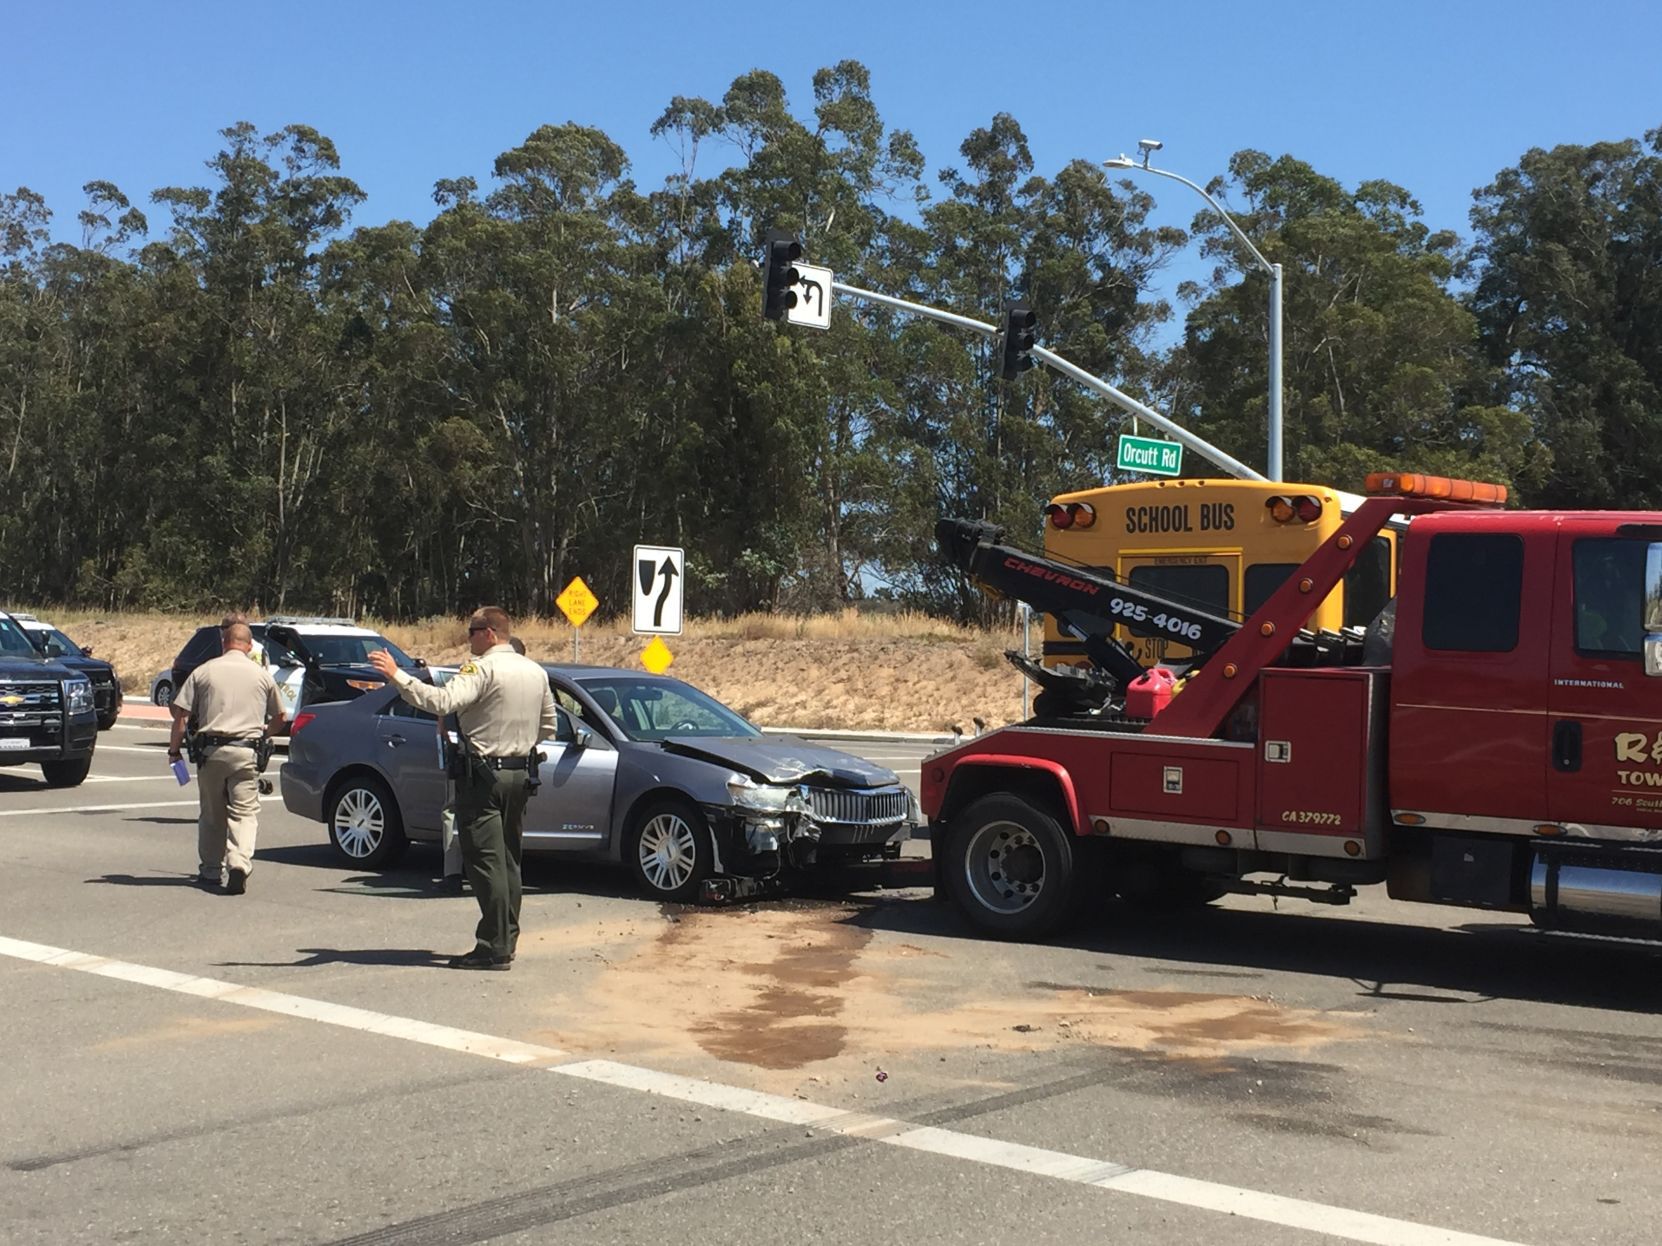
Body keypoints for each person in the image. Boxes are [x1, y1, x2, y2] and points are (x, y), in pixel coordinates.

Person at [370, 608, 556, 970]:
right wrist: (517, 741)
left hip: (483, 775)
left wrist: (397, 676)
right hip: (520, 774)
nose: (468, 638)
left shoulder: (481, 669)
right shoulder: (535, 671)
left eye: (472, 631)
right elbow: (548, 724)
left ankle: (494, 946)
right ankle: (507, 937)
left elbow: (442, 702)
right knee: (509, 860)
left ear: (489, 633)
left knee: (486, 861)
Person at [168, 621, 284, 894]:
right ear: (249, 645)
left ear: (224, 643)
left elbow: (180, 717)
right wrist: (266, 732)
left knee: (212, 813)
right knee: (244, 812)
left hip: (211, 752)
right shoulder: (262, 676)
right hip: (247, 752)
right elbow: (281, 717)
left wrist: (174, 751)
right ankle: (239, 863)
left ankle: (210, 871)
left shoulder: (203, 671)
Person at [437, 634, 529, 893]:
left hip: (498, 765)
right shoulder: (478, 673)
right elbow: (445, 712)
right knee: (454, 811)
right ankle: (453, 872)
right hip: (469, 759)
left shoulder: (517, 678)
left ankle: (486, 872)